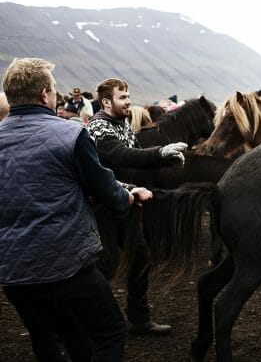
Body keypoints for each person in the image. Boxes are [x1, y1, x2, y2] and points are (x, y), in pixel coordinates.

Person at [0, 57, 152, 362]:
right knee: (109, 333)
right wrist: (129, 197)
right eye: (54, 89)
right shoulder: (70, 134)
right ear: (45, 94)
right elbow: (106, 192)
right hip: (65, 264)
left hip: (13, 272)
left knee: (56, 338)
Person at [86, 77, 187, 336]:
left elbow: (137, 157)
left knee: (140, 258)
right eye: (122, 97)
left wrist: (165, 159)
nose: (128, 101)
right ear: (106, 102)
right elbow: (118, 155)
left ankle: (139, 319)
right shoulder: (98, 127)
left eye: (128, 96)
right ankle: (83, 324)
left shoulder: (123, 125)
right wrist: (160, 153)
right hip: (102, 209)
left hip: (125, 205)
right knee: (104, 267)